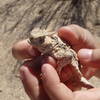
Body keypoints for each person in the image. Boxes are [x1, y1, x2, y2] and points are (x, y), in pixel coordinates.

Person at [12, 25, 100, 100]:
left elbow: (68, 56)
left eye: (41, 39)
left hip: (75, 63)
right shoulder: (47, 47)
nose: (31, 39)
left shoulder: (56, 50)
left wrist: (60, 66)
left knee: (81, 80)